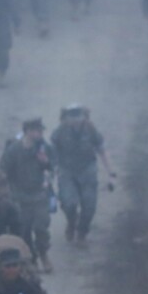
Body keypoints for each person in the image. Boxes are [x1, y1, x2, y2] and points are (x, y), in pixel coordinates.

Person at [50, 104, 116, 246]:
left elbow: (102, 151)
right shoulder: (59, 132)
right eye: (71, 117)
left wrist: (111, 173)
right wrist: (49, 173)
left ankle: (82, 233)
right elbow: (52, 155)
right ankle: (71, 222)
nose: (75, 120)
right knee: (68, 203)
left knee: (89, 205)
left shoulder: (91, 130)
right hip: (67, 171)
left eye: (78, 116)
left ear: (83, 117)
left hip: (87, 171)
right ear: (66, 119)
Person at [0, 116, 56, 271]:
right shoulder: (14, 149)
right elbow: (3, 170)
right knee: (24, 231)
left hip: (39, 195)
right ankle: (31, 260)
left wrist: (46, 163)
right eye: (36, 131)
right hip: (20, 197)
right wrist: (5, 192)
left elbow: (53, 168)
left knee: (41, 227)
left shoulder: (44, 148)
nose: (39, 134)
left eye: (40, 131)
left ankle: (43, 254)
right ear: (28, 131)